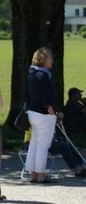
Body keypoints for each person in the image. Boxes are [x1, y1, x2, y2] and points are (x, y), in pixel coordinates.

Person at [26, 47, 60, 183]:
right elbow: (47, 96)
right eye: (50, 58)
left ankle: (33, 174)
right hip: (44, 114)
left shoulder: (31, 73)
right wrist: (52, 111)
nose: (52, 60)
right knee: (43, 146)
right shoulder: (44, 75)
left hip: (32, 112)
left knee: (34, 144)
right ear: (45, 59)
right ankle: (41, 175)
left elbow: (27, 95)